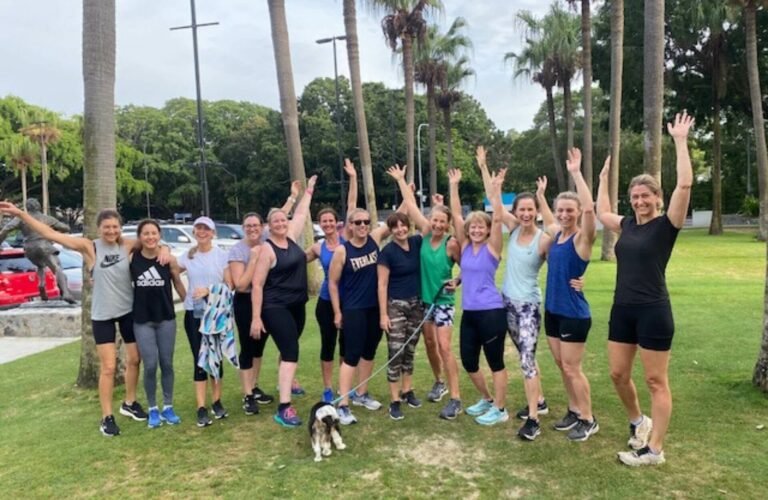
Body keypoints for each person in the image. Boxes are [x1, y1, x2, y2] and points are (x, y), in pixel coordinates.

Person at [0, 202, 166, 436]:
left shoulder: (128, 245)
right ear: (99, 228)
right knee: (108, 368)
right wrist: (20, 214)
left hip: (128, 311)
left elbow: (153, 243)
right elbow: (50, 233)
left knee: (135, 359)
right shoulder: (90, 247)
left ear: (120, 228)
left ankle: (130, 403)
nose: (111, 231)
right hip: (102, 316)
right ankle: (106, 417)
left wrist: (165, 249)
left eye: (115, 227)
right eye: (107, 227)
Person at [597, 112, 694, 466]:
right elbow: (601, 211)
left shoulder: (667, 225)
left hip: (654, 310)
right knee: (618, 374)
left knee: (656, 380)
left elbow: (684, 186)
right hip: (623, 310)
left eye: (645, 196)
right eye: (635, 196)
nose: (639, 201)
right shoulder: (626, 226)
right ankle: (639, 422)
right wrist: (603, 178)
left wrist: (680, 141)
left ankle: (654, 449)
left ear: (657, 197)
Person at [475, 146, 552, 441]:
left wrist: (577, 280)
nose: (526, 214)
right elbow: (494, 201)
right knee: (524, 354)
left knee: (527, 361)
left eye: (530, 210)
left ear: (536, 212)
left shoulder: (544, 240)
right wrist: (485, 169)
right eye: (521, 209)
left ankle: (533, 419)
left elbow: (563, 258)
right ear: (517, 211)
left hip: (528, 307)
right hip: (506, 303)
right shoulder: (513, 229)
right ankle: (541, 401)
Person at [388, 166, 463, 420]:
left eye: (443, 221)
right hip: (424, 302)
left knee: (444, 347)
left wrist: (458, 279)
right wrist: (401, 181)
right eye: (435, 220)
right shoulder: (424, 236)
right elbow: (410, 205)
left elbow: (467, 267)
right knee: (430, 344)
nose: (438, 224)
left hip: (443, 302)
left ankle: (455, 398)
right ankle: (438, 381)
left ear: (448, 224)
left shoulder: (451, 243)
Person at [536, 148, 599, 442]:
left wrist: (576, 173)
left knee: (573, 367)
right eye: (560, 210)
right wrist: (541, 196)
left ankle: (588, 418)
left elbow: (589, 211)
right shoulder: (557, 233)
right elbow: (548, 217)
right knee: (563, 365)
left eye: (568, 210)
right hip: (553, 312)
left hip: (574, 314)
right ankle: (574, 410)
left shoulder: (581, 239)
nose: (563, 214)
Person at [251, 176, 317, 428]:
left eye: (283, 219)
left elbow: (301, 213)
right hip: (274, 307)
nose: (280, 223)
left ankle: (285, 383)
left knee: (288, 347)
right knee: (291, 351)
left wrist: (307, 191)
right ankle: (284, 407)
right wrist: (257, 318)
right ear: (269, 226)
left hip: (296, 305)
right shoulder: (267, 250)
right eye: (275, 221)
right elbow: (257, 285)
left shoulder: (290, 237)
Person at [448, 167, 510, 426]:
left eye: (479, 226)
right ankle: (486, 398)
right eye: (472, 226)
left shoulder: (493, 248)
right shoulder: (464, 247)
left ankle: (501, 408)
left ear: (486, 230)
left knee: (495, 362)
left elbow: (497, 218)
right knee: (469, 360)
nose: (475, 229)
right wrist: (454, 186)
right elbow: (455, 214)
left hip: (492, 312)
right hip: (470, 313)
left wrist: (495, 190)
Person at [328, 207, 392, 425]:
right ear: (350, 226)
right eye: (358, 223)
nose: (363, 225)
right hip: (353, 309)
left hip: (374, 307)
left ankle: (361, 394)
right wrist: (337, 312)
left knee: (369, 352)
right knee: (352, 355)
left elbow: (397, 216)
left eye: (366, 221)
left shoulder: (374, 239)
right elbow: (333, 283)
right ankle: (343, 404)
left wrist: (402, 183)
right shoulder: (342, 251)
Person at [306, 159, 358, 402]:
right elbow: (292, 260)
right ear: (319, 224)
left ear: (336, 223)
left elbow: (351, 205)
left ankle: (343, 386)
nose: (327, 224)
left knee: (347, 345)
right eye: (323, 221)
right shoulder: (317, 248)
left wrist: (353, 178)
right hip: (326, 302)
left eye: (330, 221)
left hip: (350, 301)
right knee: (328, 345)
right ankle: (328, 387)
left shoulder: (346, 238)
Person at [130, 219, 187, 429]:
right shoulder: (132, 259)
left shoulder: (168, 260)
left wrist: (191, 304)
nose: (150, 237)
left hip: (166, 319)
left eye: (154, 233)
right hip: (142, 321)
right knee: (150, 365)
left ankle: (168, 406)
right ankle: (153, 408)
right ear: (140, 237)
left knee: (167, 363)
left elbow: (178, 284)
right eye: (146, 233)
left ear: (159, 235)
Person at [177, 216, 232, 428]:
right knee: (199, 359)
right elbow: (173, 271)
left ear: (212, 233)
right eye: (198, 229)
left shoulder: (221, 255)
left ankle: (217, 401)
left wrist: (210, 290)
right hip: (194, 313)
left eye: (206, 229)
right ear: (194, 232)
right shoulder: (187, 256)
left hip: (216, 313)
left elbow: (230, 284)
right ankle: (201, 407)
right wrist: (185, 295)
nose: (202, 232)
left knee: (215, 359)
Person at [377, 212, 424, 420]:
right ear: (391, 230)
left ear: (408, 226)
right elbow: (382, 285)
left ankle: (407, 391)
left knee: (410, 350)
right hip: (395, 305)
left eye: (403, 225)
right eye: (395, 227)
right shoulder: (387, 252)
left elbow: (430, 228)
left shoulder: (416, 243)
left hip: (416, 305)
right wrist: (383, 314)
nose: (400, 229)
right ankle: (395, 400)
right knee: (396, 352)